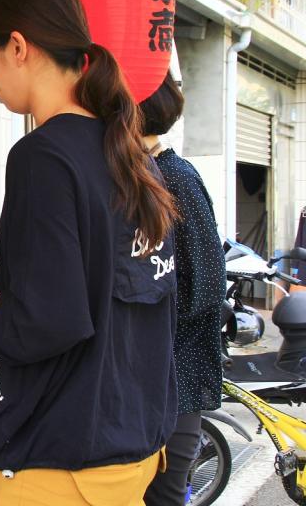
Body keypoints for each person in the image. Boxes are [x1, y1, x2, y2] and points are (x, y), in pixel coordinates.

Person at [0, 0, 179, 505]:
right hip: (132, 451)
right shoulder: (128, 155)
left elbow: (48, 320)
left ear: (17, 47)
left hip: (64, 468)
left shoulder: (43, 158)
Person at [141, 72, 226, 506]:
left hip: (176, 382)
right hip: (150, 381)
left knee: (164, 495)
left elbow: (207, 286)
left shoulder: (176, 178)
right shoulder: (146, 175)